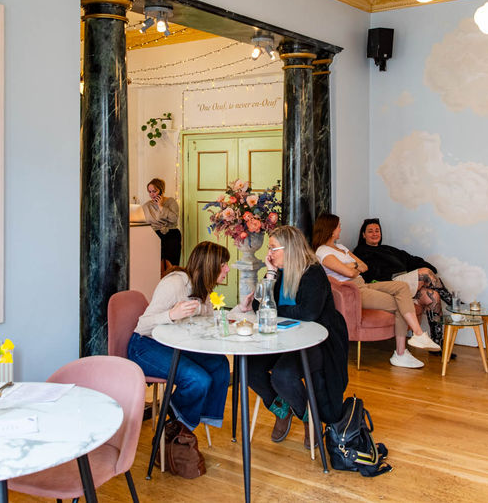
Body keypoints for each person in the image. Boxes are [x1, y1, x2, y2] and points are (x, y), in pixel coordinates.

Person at [235, 225, 348, 445]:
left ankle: (309, 418)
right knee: (247, 366)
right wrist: (269, 273)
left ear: (290, 249)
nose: (269, 253)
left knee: (282, 375)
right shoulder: (279, 271)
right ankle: (281, 408)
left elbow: (308, 312)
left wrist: (273, 309)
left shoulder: (313, 272)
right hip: (283, 340)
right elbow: (259, 306)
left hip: (317, 342)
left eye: (273, 248)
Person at [127, 241, 231, 445]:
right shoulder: (174, 283)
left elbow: (205, 313)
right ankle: (176, 425)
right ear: (209, 265)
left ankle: (181, 426)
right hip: (144, 346)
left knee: (220, 365)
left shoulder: (202, 285)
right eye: (223, 264)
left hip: (173, 344)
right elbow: (143, 325)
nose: (227, 268)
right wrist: (171, 314)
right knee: (198, 379)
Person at [312, 213, 440, 369]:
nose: (340, 229)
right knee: (401, 304)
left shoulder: (340, 248)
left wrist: (351, 267)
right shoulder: (322, 252)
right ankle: (403, 350)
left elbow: (364, 266)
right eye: (338, 226)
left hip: (363, 284)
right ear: (330, 229)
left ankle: (415, 338)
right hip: (355, 291)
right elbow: (351, 273)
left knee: (402, 288)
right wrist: (352, 267)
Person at [353, 218, 454, 349]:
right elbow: (366, 276)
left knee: (433, 296)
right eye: (370, 231)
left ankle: (437, 344)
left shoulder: (388, 249)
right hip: (389, 285)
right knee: (425, 273)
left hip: (404, 282)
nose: (374, 234)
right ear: (363, 235)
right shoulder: (360, 252)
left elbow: (411, 259)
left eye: (377, 231)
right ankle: (454, 305)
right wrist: (427, 272)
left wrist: (431, 269)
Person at [142, 177, 182, 268]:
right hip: (155, 235)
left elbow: (174, 219)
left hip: (171, 234)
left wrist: (160, 206)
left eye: (154, 191)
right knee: (156, 266)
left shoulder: (171, 202)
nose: (152, 194)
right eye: (149, 192)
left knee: (171, 265)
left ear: (161, 190)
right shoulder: (147, 205)